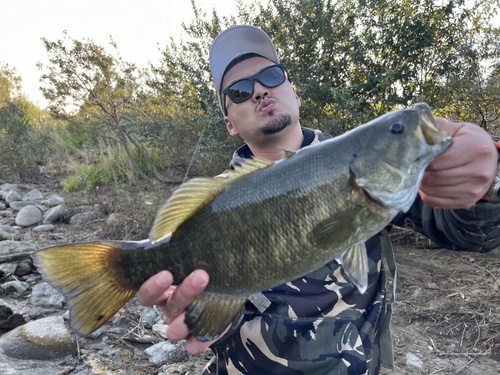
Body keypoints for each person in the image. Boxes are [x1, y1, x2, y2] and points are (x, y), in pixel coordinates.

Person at [137, 25, 500, 374]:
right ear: (230, 123)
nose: (260, 91)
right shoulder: (214, 202)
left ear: (294, 91)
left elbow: (473, 236)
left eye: (271, 75)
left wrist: (489, 182)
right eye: (239, 91)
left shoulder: (372, 170)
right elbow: (210, 325)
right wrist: (204, 317)